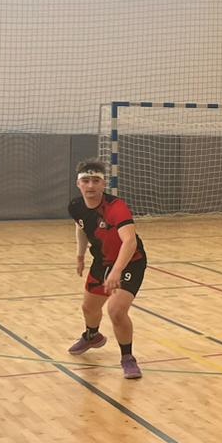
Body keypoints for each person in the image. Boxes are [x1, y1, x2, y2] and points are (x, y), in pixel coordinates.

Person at [67, 159, 145, 379]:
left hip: (130, 261)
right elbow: (81, 227)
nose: (90, 185)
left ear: (104, 184)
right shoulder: (75, 206)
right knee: (89, 308)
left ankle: (128, 358)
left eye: (96, 181)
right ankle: (92, 336)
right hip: (102, 261)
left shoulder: (116, 208)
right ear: (78, 184)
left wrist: (117, 271)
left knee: (116, 311)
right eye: (85, 181)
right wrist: (80, 255)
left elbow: (129, 241)